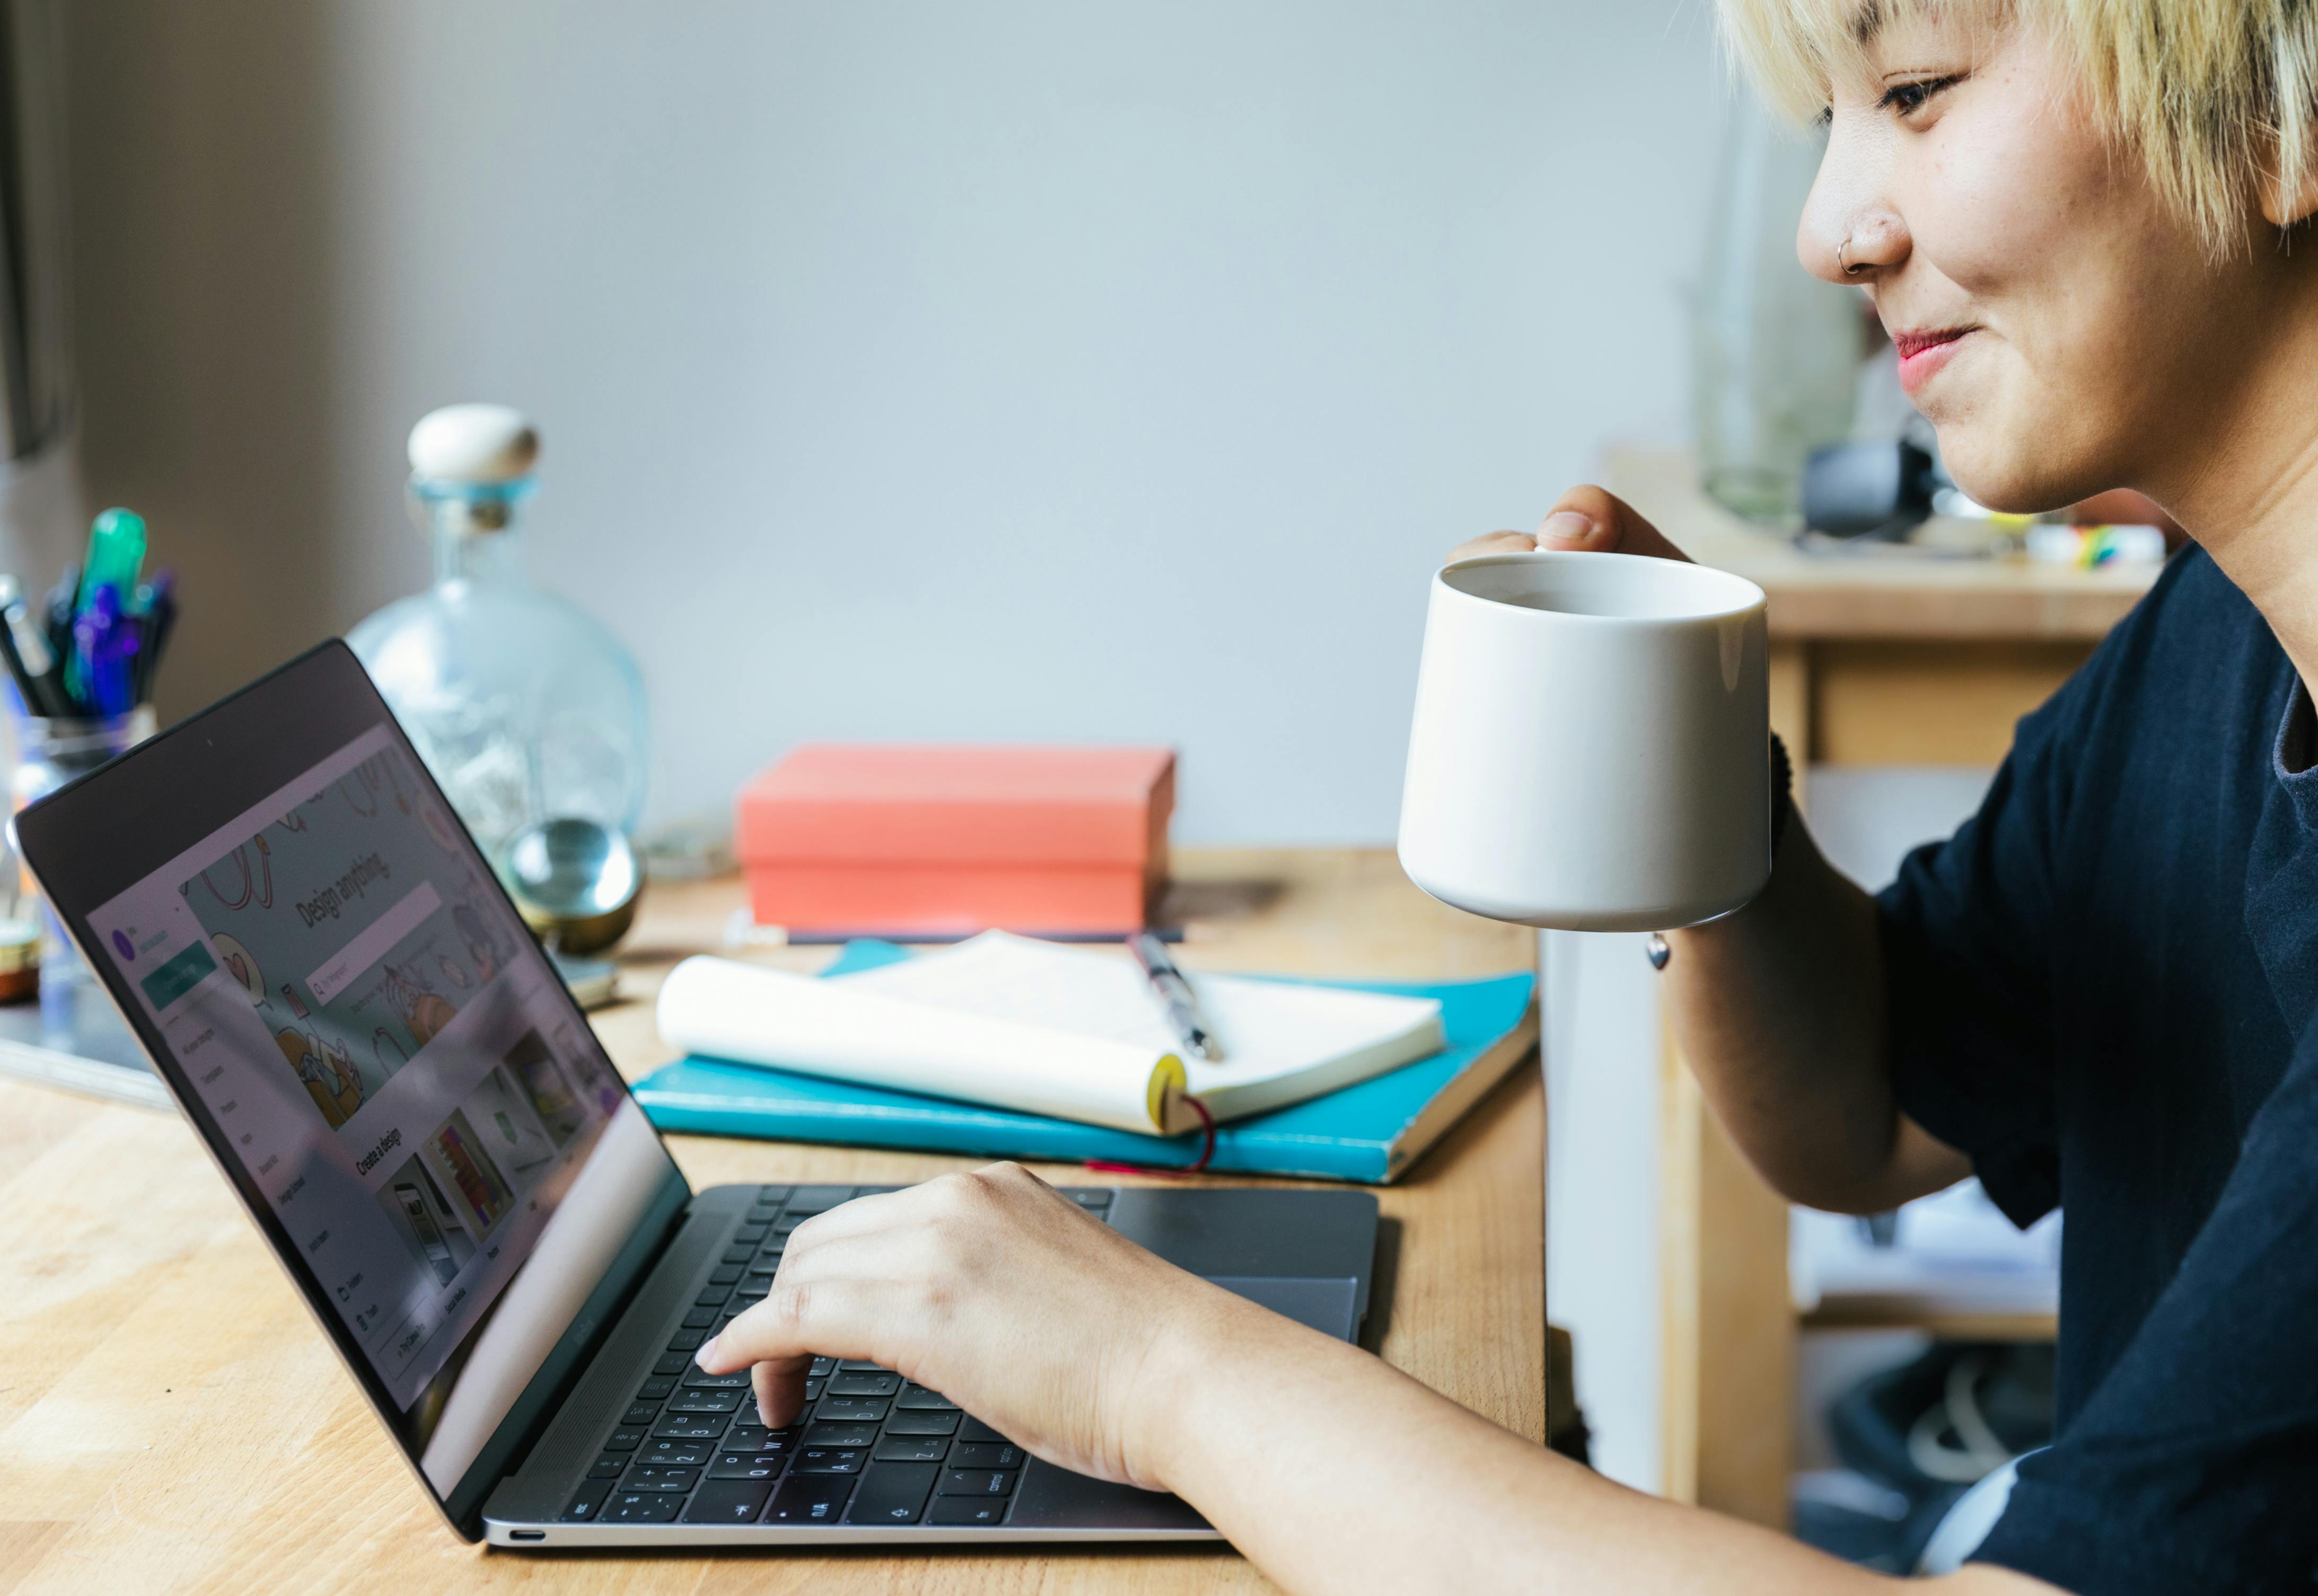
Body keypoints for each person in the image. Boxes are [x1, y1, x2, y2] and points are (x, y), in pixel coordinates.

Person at [698, 1, 2318, 1588]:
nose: (1828, 232)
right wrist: (1699, 775)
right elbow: (1870, 1103)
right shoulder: (2214, 643)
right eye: (1831, 120)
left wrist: (1158, 1372)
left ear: (2277, 111)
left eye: (1915, 88)